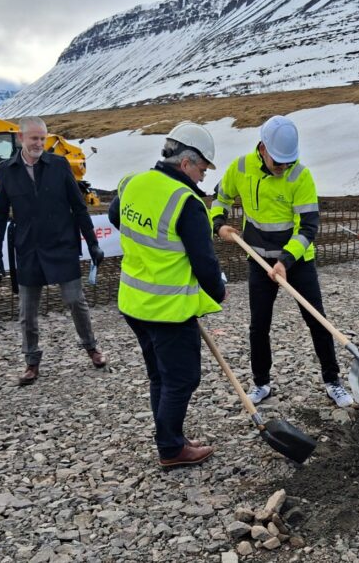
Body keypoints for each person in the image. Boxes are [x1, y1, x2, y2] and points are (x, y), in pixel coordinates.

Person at [210, 115, 354, 408]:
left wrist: (286, 261)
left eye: (288, 161)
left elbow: (309, 226)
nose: (283, 167)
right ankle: (261, 383)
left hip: (297, 262)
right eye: (278, 162)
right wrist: (219, 224)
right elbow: (220, 198)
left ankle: (332, 381)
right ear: (262, 148)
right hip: (257, 259)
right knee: (259, 325)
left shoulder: (300, 176)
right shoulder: (240, 167)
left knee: (317, 320)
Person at [108, 121, 226, 468]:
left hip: (134, 302)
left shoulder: (133, 182)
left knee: (160, 375)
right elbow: (204, 262)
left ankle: (170, 437)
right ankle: (172, 449)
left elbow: (117, 218)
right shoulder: (187, 202)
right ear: (186, 162)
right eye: (202, 169)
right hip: (168, 308)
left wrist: (152, 255)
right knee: (183, 377)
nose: (203, 177)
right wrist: (218, 292)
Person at [0, 117, 106, 386]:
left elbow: (79, 207)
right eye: (34, 138)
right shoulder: (7, 170)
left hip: (61, 245)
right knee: (27, 311)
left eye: (42, 138)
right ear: (21, 138)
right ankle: (31, 362)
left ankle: (92, 348)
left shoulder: (59, 165)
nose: (39, 143)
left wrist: (92, 243)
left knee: (76, 301)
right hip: (28, 250)